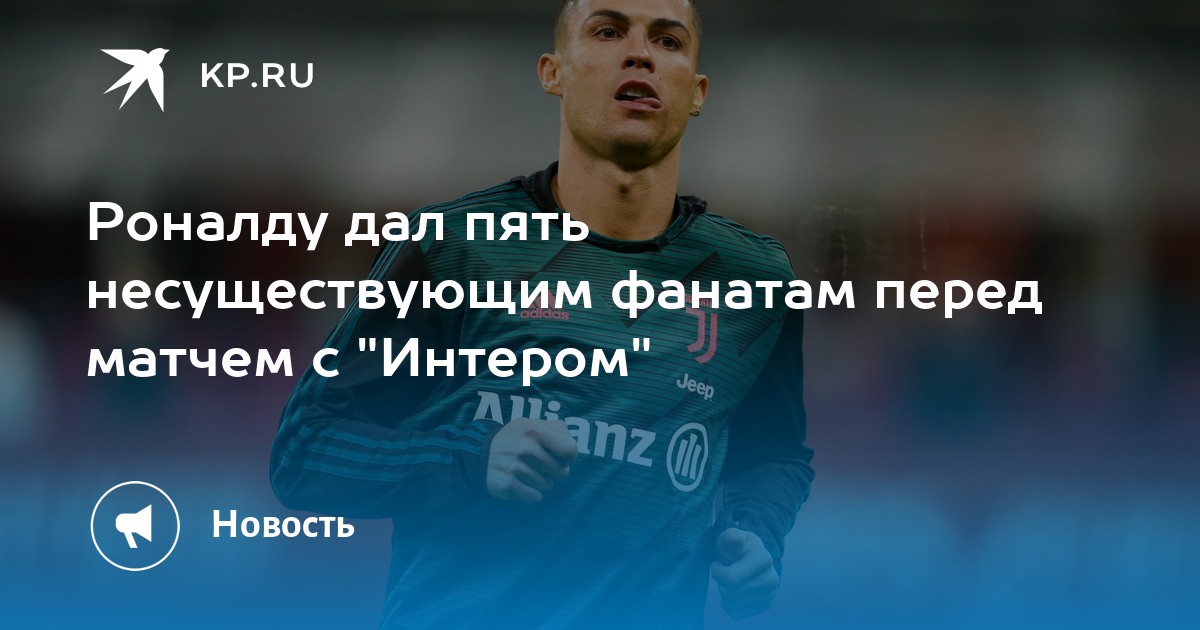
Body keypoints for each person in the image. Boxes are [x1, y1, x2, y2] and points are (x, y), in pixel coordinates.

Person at [270, 0, 814, 627]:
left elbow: (773, 454)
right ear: (553, 72)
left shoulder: (755, 278)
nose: (640, 53)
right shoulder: (453, 246)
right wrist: (468, 459)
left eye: (668, 41)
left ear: (697, 92)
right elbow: (305, 451)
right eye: (608, 31)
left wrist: (755, 529)